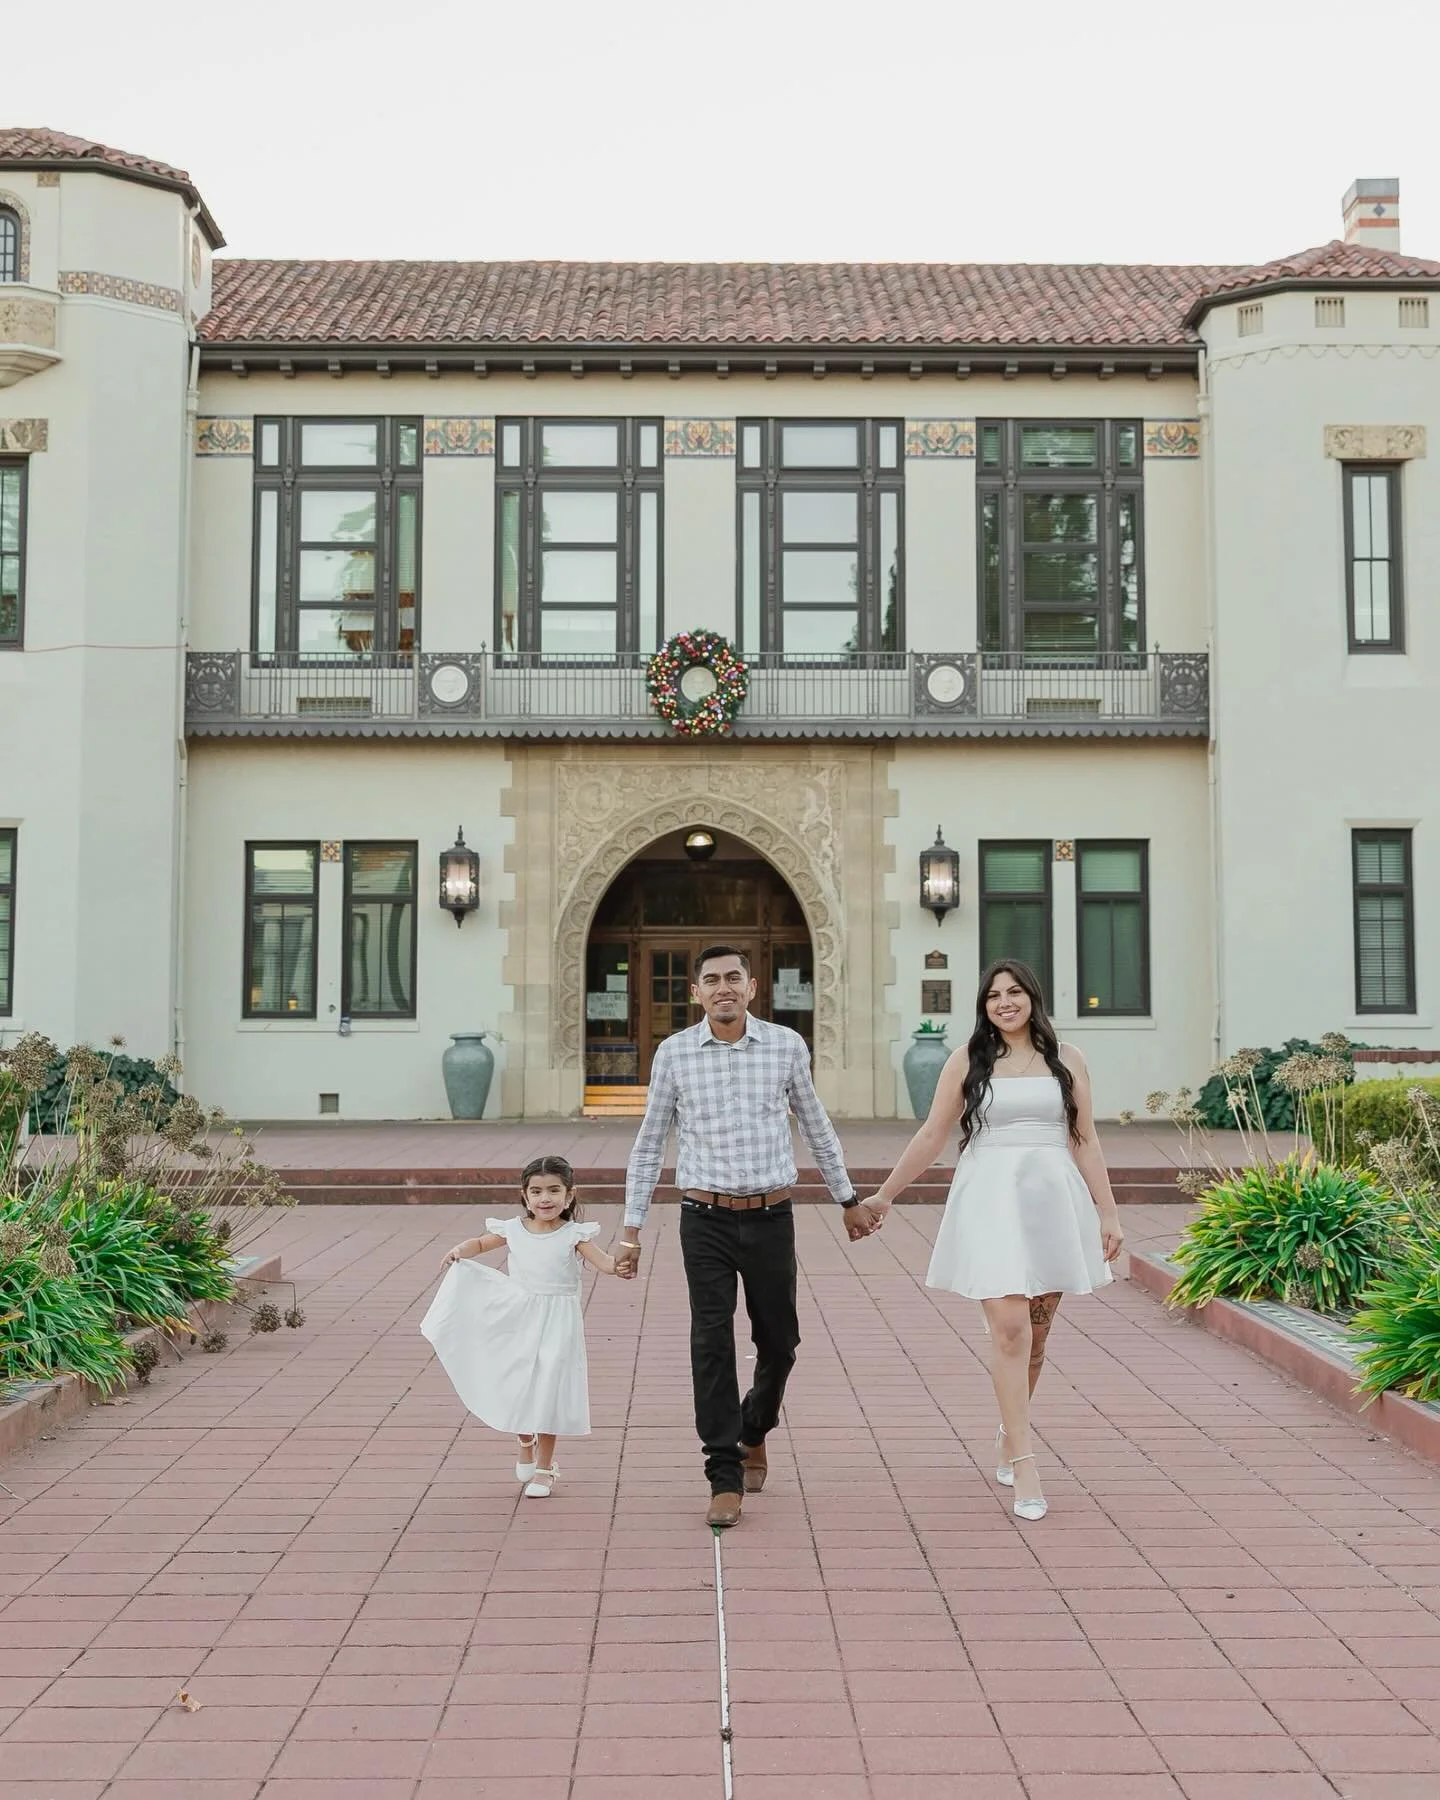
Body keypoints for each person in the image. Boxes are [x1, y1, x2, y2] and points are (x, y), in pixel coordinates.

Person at [619, 944, 880, 1528]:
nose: (723, 988)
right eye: (710, 980)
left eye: (733, 977)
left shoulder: (786, 1046)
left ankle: (754, 1427)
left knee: (780, 1340)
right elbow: (648, 1144)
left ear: (752, 986)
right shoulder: (674, 1054)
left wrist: (848, 1199)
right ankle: (723, 1471)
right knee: (710, 1343)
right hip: (703, 1218)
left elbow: (815, 1125)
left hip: (770, 1217)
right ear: (696, 993)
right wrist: (631, 1229)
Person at [863, 960, 1124, 1522]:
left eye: (1015, 992)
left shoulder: (1067, 1060)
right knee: (1007, 1330)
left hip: (1051, 1201)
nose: (1005, 1003)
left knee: (1035, 1335)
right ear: (983, 1006)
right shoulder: (968, 1061)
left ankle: (1010, 1430)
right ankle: (1025, 1462)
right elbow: (933, 1133)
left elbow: (1085, 1139)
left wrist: (1108, 1212)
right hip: (989, 1201)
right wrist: (885, 1195)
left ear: (1032, 996)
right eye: (993, 996)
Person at [420, 1153, 633, 1497]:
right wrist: (461, 1250)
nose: (544, 1199)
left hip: (559, 1322)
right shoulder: (513, 1229)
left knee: (550, 1388)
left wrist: (620, 1266)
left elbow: (605, 1263)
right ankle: (524, 1436)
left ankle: (546, 1468)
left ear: (570, 1194)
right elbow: (480, 1243)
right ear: (525, 1195)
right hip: (518, 1315)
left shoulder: (573, 1234)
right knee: (517, 1380)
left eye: (553, 1190)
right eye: (536, 1192)